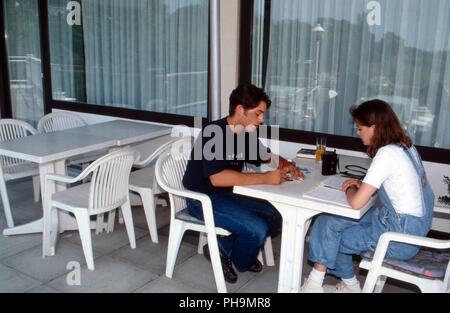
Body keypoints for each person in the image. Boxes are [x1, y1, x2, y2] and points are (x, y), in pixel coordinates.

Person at [301, 99, 435, 293]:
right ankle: (349, 286)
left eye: (360, 127)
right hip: (409, 228)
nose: (357, 132)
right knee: (329, 221)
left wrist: (348, 187)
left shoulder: (386, 154)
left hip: (399, 238)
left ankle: (315, 286)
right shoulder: (406, 147)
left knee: (332, 234)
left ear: (374, 127)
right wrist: (362, 184)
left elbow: (356, 203)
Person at [183, 83, 304, 283]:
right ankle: (239, 259)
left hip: (228, 194)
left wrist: (286, 164)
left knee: (278, 216)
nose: (261, 119)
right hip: (202, 199)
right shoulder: (213, 133)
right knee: (257, 229)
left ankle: (224, 247)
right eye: (258, 113)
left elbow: (265, 156)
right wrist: (265, 178)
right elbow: (218, 178)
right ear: (240, 109)